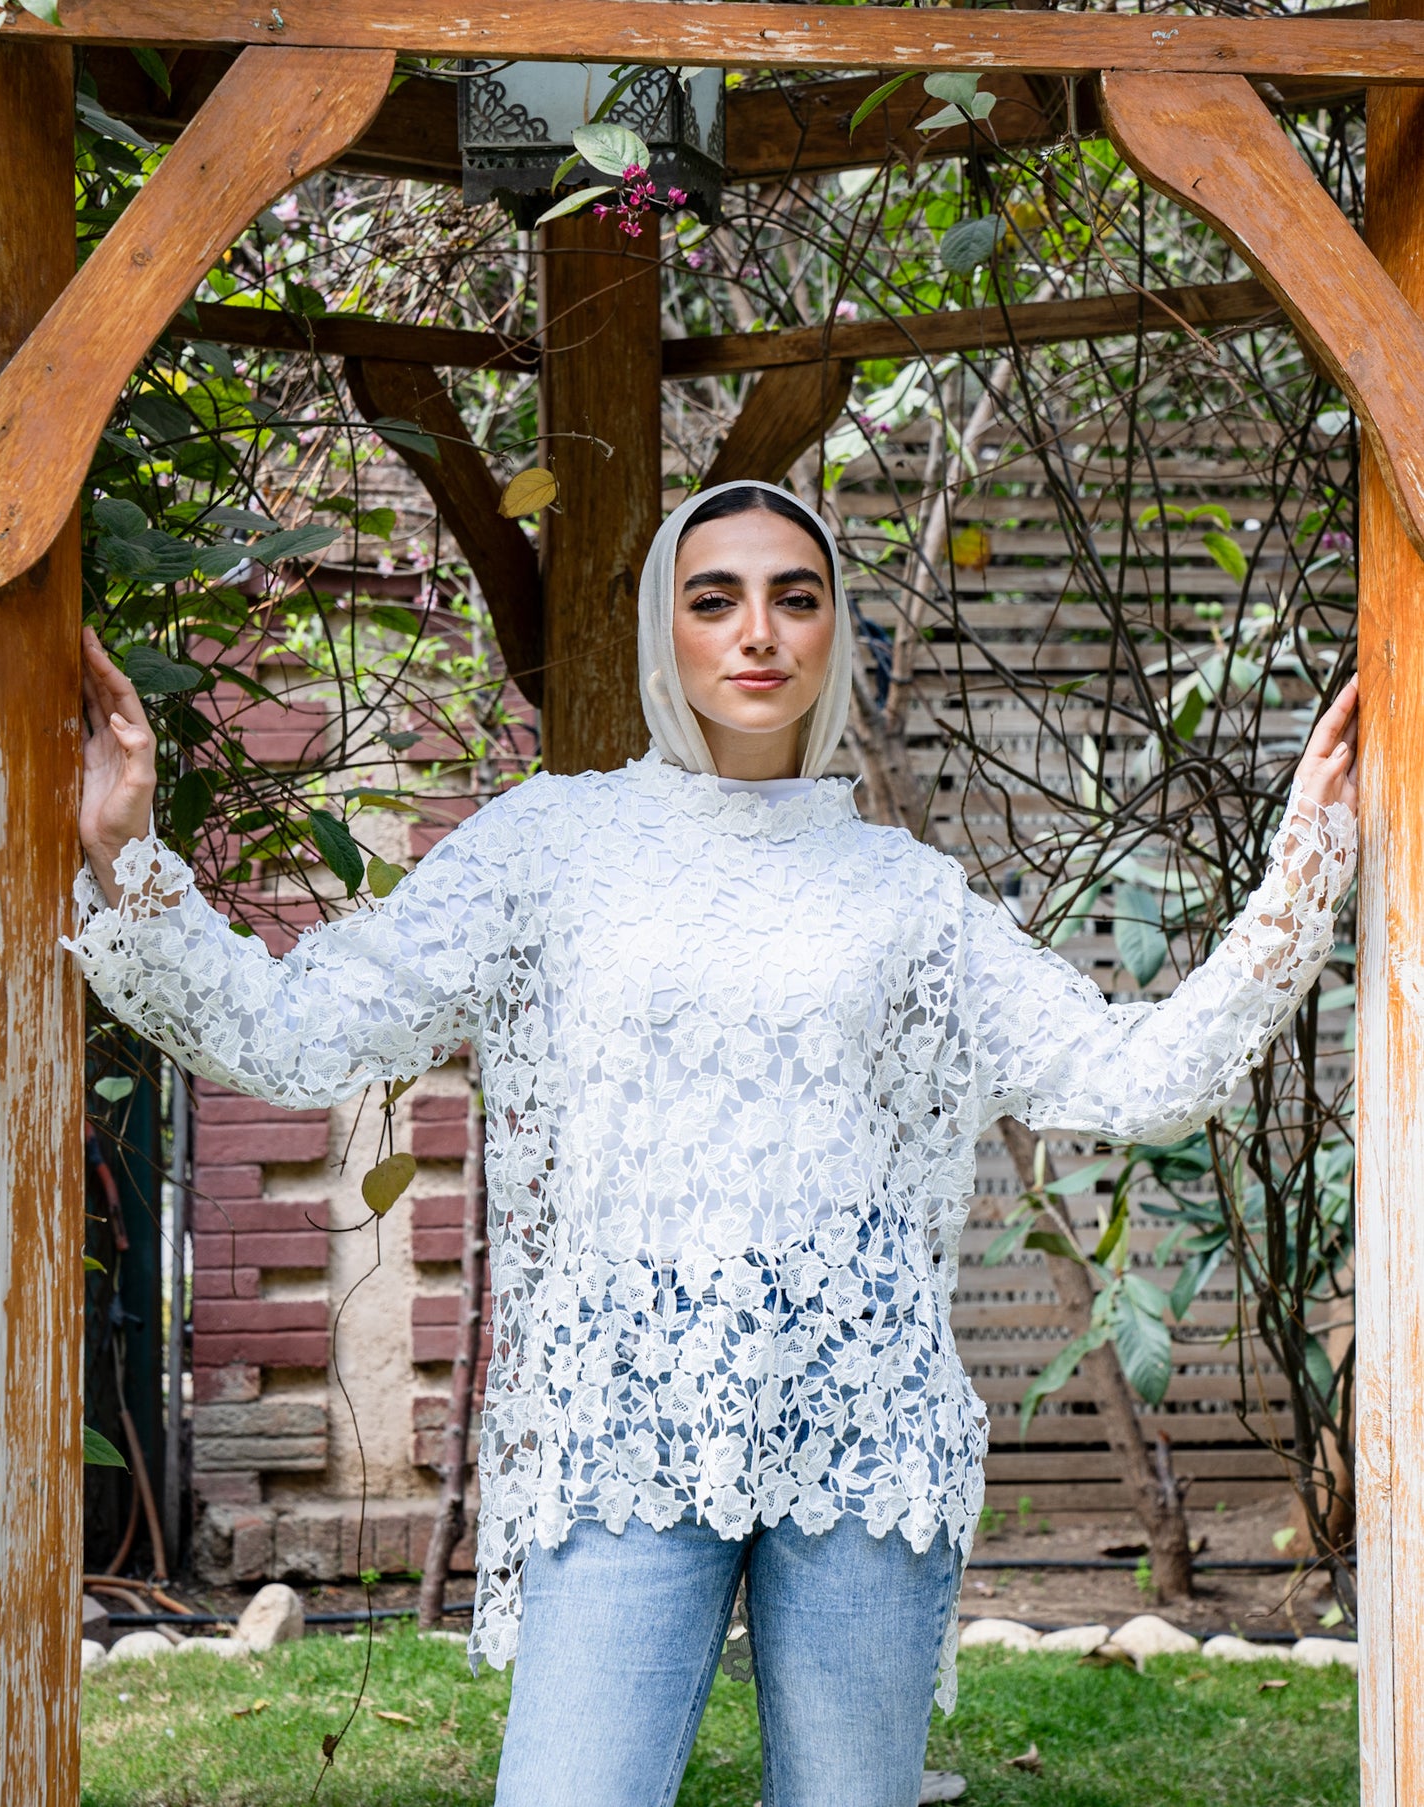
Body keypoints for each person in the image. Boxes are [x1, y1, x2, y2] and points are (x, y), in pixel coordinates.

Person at [70, 480, 1359, 1807]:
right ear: (661, 633)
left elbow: (1132, 1074)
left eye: (794, 598)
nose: (756, 632)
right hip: (621, 1431)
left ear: (830, 633)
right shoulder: (553, 847)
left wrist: (1303, 866)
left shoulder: (904, 896)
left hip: (860, 1438)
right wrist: (128, 854)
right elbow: (294, 1033)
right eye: (714, 598)